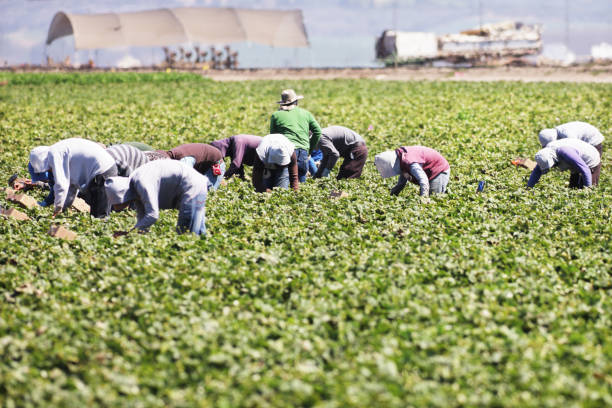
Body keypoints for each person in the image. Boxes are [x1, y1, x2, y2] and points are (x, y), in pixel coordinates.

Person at [104, 160, 210, 236]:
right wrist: (136, 236)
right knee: (199, 232)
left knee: (186, 233)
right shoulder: (135, 190)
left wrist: (129, 234)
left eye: (119, 203)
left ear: (123, 195)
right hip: (191, 187)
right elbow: (142, 218)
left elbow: (153, 215)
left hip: (193, 188)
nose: (120, 207)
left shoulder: (141, 182)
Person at [28, 138, 118, 218]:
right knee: (95, 212)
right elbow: (71, 187)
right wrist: (64, 209)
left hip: (103, 171)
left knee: (100, 215)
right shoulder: (59, 151)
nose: (50, 170)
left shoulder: (54, 154)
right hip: (102, 169)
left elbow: (61, 185)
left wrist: (57, 209)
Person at [269, 89, 322, 183]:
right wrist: (309, 149)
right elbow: (317, 131)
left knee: (283, 182)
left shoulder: (276, 115)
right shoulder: (306, 113)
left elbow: (273, 137)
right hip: (302, 152)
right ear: (296, 101)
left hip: (285, 151)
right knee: (300, 182)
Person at [375, 146, 450, 197]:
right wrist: (392, 195)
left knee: (434, 197)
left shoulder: (410, 162)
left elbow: (423, 180)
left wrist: (423, 198)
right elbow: (402, 181)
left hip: (439, 170)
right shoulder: (401, 159)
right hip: (429, 171)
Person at [527, 138, 601, 189]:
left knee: (585, 187)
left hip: (590, 160)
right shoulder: (544, 155)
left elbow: (585, 170)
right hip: (575, 161)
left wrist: (588, 190)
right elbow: (537, 171)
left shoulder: (565, 152)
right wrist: (528, 189)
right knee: (573, 188)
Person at [538, 121, 604, 157]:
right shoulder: (553, 133)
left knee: (590, 168)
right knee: (576, 170)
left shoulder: (567, 135)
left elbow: (576, 151)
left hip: (593, 141)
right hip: (584, 140)